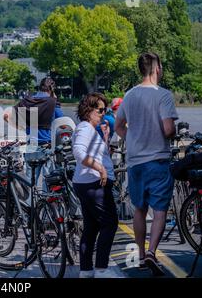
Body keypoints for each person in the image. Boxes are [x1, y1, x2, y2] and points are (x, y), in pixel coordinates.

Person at [115, 53, 179, 276]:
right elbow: (169, 129)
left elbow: (118, 126)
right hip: (157, 159)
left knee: (139, 210)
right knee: (160, 210)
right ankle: (152, 252)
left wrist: (132, 139)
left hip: (135, 162)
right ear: (157, 68)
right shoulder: (163, 95)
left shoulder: (129, 94)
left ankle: (140, 256)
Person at [72, 93, 119, 278]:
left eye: (105, 110)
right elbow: (78, 152)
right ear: (89, 110)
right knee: (110, 223)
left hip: (86, 183)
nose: (103, 114)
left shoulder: (90, 129)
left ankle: (86, 270)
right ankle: (101, 269)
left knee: (91, 227)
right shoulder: (85, 128)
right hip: (93, 183)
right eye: (100, 110)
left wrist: (105, 137)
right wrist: (99, 168)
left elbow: (97, 153)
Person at [4, 77, 63, 146]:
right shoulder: (53, 102)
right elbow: (63, 126)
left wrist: (23, 128)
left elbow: (6, 116)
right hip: (48, 145)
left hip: (31, 145)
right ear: (52, 89)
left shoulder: (26, 101)